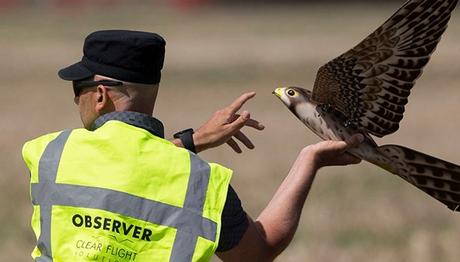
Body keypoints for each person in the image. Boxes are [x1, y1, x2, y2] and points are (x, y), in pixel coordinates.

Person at [22, 30, 364, 262]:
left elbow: (121, 170)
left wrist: (190, 142)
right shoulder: (199, 182)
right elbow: (260, 250)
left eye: (77, 87)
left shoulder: (49, 153)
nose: (75, 98)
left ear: (99, 96)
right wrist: (309, 160)